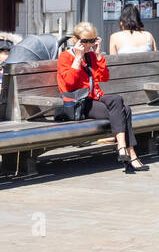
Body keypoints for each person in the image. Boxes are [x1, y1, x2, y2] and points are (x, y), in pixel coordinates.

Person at [59, 23, 147, 172]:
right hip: (78, 104)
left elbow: (104, 77)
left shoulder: (91, 55)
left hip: (94, 98)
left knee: (118, 100)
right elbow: (69, 83)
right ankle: (129, 153)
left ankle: (122, 148)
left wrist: (98, 55)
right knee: (125, 110)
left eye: (92, 41)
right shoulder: (66, 57)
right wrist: (77, 59)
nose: (88, 45)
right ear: (75, 40)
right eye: (85, 41)